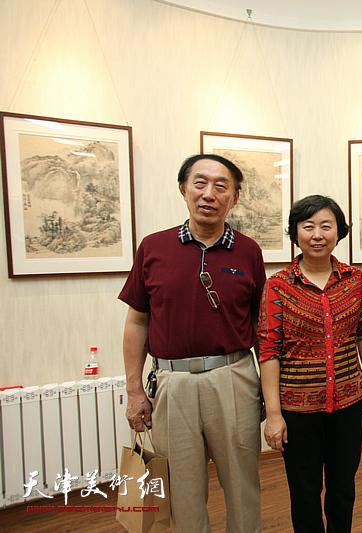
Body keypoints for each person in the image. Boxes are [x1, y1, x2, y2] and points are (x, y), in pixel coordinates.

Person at [119, 154, 265, 533]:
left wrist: (269, 390)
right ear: (183, 189)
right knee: (180, 490)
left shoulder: (249, 251)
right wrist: (134, 391)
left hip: (234, 378)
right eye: (200, 183)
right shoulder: (153, 247)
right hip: (173, 385)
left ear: (235, 197)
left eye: (221, 186)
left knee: (242, 484)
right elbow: (137, 321)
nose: (209, 194)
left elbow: (259, 325)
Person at [258, 194, 362, 533]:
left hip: (348, 403)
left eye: (326, 226)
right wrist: (274, 414)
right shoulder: (278, 285)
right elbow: (269, 351)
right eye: (308, 226)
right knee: (304, 492)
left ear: (339, 232)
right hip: (297, 410)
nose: (317, 235)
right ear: (295, 232)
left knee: (343, 487)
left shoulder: (354, 279)